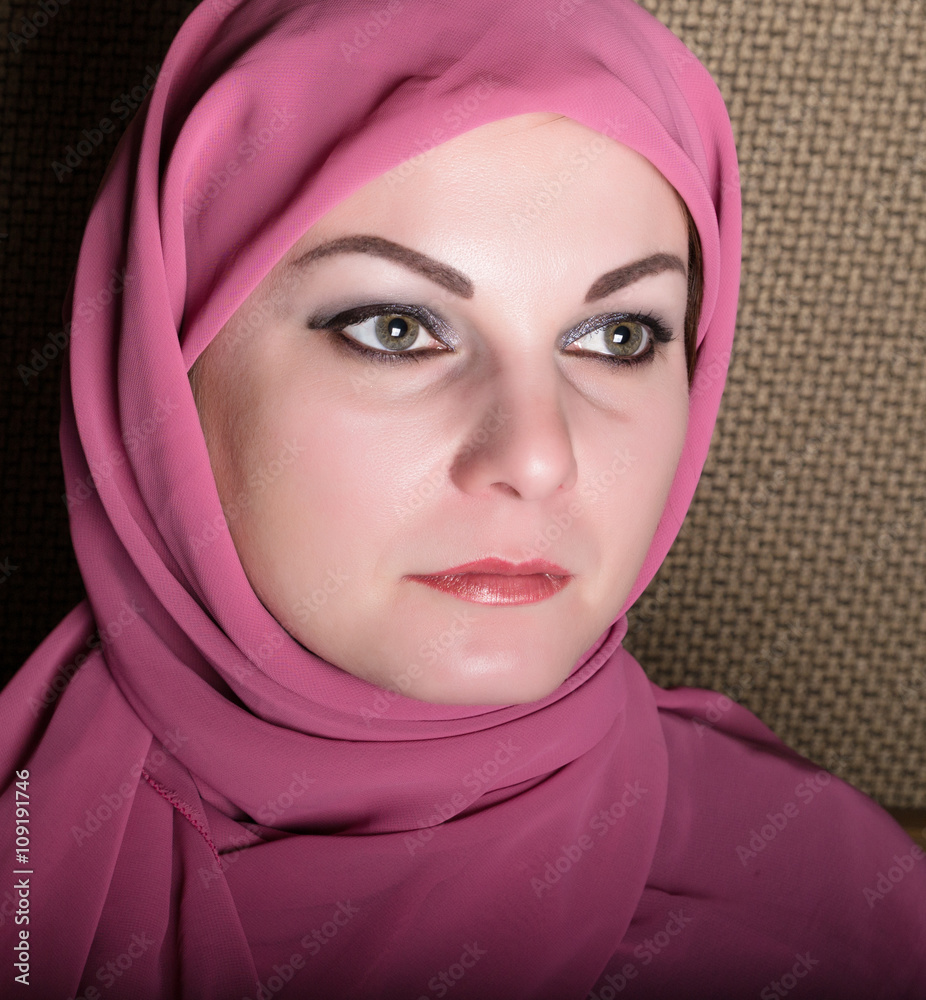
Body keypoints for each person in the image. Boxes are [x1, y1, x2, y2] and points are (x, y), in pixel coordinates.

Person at [0, 0, 923, 997]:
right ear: (159, 373)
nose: (535, 455)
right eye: (394, 328)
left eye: (617, 337)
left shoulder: (844, 925)